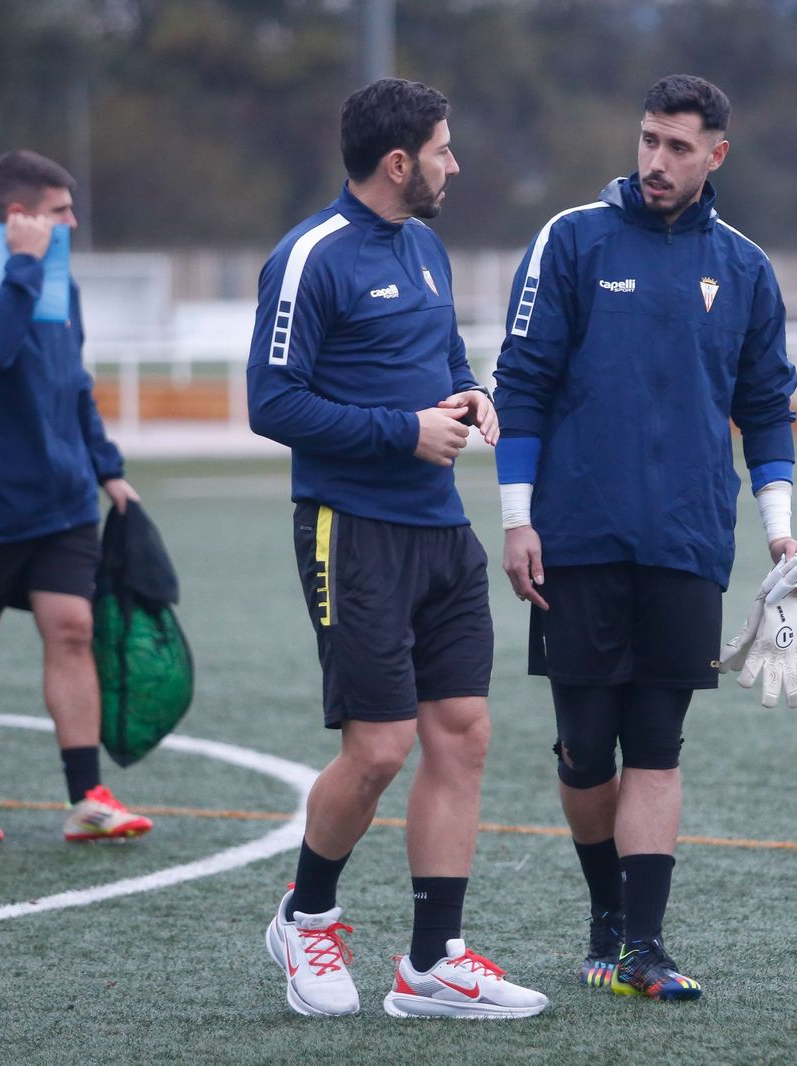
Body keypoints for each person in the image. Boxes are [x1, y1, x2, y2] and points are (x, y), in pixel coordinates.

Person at [493, 73, 797, 1002]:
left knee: (657, 744)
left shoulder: (746, 267)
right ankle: (605, 914)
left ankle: (641, 947)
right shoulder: (571, 240)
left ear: (716, 155)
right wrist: (517, 520)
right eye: (648, 140)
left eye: (679, 147)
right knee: (585, 747)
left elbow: (766, 408)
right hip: (574, 543)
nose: (657, 162)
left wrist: (780, 537)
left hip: (686, 543)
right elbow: (520, 384)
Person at [247, 77, 546, 1020]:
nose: (457, 164)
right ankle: (307, 917)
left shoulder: (425, 247)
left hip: (439, 533)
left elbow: (441, 361)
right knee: (377, 748)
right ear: (399, 161)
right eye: (446, 149)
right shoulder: (310, 257)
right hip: (353, 531)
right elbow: (272, 403)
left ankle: (431, 962)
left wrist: (470, 395)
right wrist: (402, 431)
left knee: (463, 735)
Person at [0, 149, 152, 845]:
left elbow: (71, 380)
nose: (72, 223)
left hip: (63, 495)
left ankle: (88, 797)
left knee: (72, 630)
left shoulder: (58, 282)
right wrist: (21, 269)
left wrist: (107, 467)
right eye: (58, 212)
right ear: (19, 217)